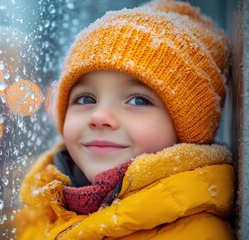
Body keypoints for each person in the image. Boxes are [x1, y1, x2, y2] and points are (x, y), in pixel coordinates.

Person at [14, 0, 235, 239]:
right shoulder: (43, 213)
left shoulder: (197, 233)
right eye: (86, 99)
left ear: (187, 131)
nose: (99, 116)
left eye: (138, 101)